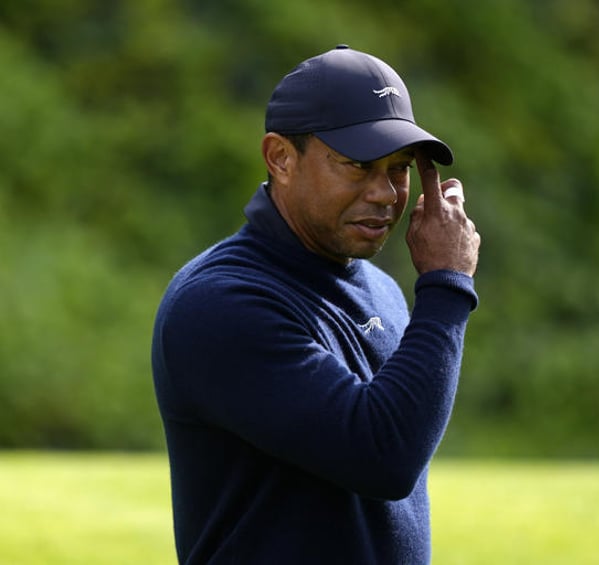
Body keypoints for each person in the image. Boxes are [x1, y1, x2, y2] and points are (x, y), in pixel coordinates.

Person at [151, 44, 481, 564]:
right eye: (356, 165)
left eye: (399, 168)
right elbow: (384, 457)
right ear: (281, 158)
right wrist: (446, 285)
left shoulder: (381, 289)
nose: (386, 193)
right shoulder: (218, 303)